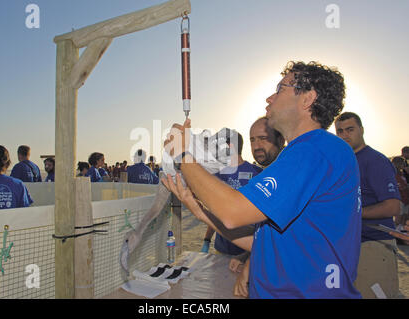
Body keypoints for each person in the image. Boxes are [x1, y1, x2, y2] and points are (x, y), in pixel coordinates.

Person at [162, 61, 362, 298]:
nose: (270, 98)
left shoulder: (315, 150)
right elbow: (261, 243)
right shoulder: (307, 154)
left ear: (307, 99)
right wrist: (198, 209)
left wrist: (184, 155)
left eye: (280, 88)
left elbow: (233, 212)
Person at [335, 112, 401, 298]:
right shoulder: (343, 162)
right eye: (340, 131)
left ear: (361, 130)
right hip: (348, 247)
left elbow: (393, 206)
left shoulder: (375, 160)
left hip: (374, 244)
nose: (344, 135)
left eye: (350, 129)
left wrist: (354, 212)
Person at [229, 117, 285, 297]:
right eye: (253, 140)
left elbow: (283, 240)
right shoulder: (267, 174)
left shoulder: (286, 173)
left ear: (280, 140)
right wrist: (246, 258)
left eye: (263, 138)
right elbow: (268, 232)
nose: (257, 145)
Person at [201, 131, 262, 257]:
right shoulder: (218, 175)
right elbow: (216, 212)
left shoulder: (258, 175)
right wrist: (207, 240)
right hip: (221, 250)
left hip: (250, 252)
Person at [392, 156, 409, 232]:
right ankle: (395, 229)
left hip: (406, 198)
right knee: (399, 215)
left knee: (405, 215)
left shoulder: (402, 174)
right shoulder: (394, 174)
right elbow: (398, 187)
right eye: (402, 163)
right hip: (400, 198)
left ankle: (400, 229)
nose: (404, 165)